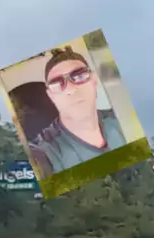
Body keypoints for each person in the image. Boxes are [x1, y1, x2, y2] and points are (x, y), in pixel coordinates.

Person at [28, 46, 126, 179]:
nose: (70, 89)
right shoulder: (45, 153)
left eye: (80, 76)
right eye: (57, 84)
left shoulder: (122, 117)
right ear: (51, 96)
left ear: (94, 81)